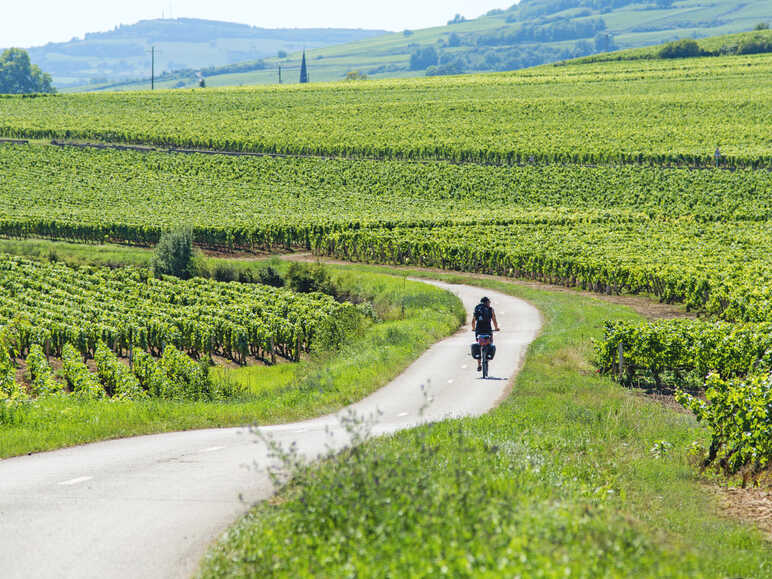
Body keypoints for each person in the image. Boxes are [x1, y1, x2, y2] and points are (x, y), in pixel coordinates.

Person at [472, 296, 500, 371]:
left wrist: (473, 328)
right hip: (488, 330)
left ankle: (479, 364)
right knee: (490, 344)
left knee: (479, 344)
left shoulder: (477, 309)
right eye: (489, 302)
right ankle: (487, 358)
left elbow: (473, 321)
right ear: (487, 303)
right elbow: (494, 319)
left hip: (479, 330)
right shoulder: (490, 310)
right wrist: (496, 328)